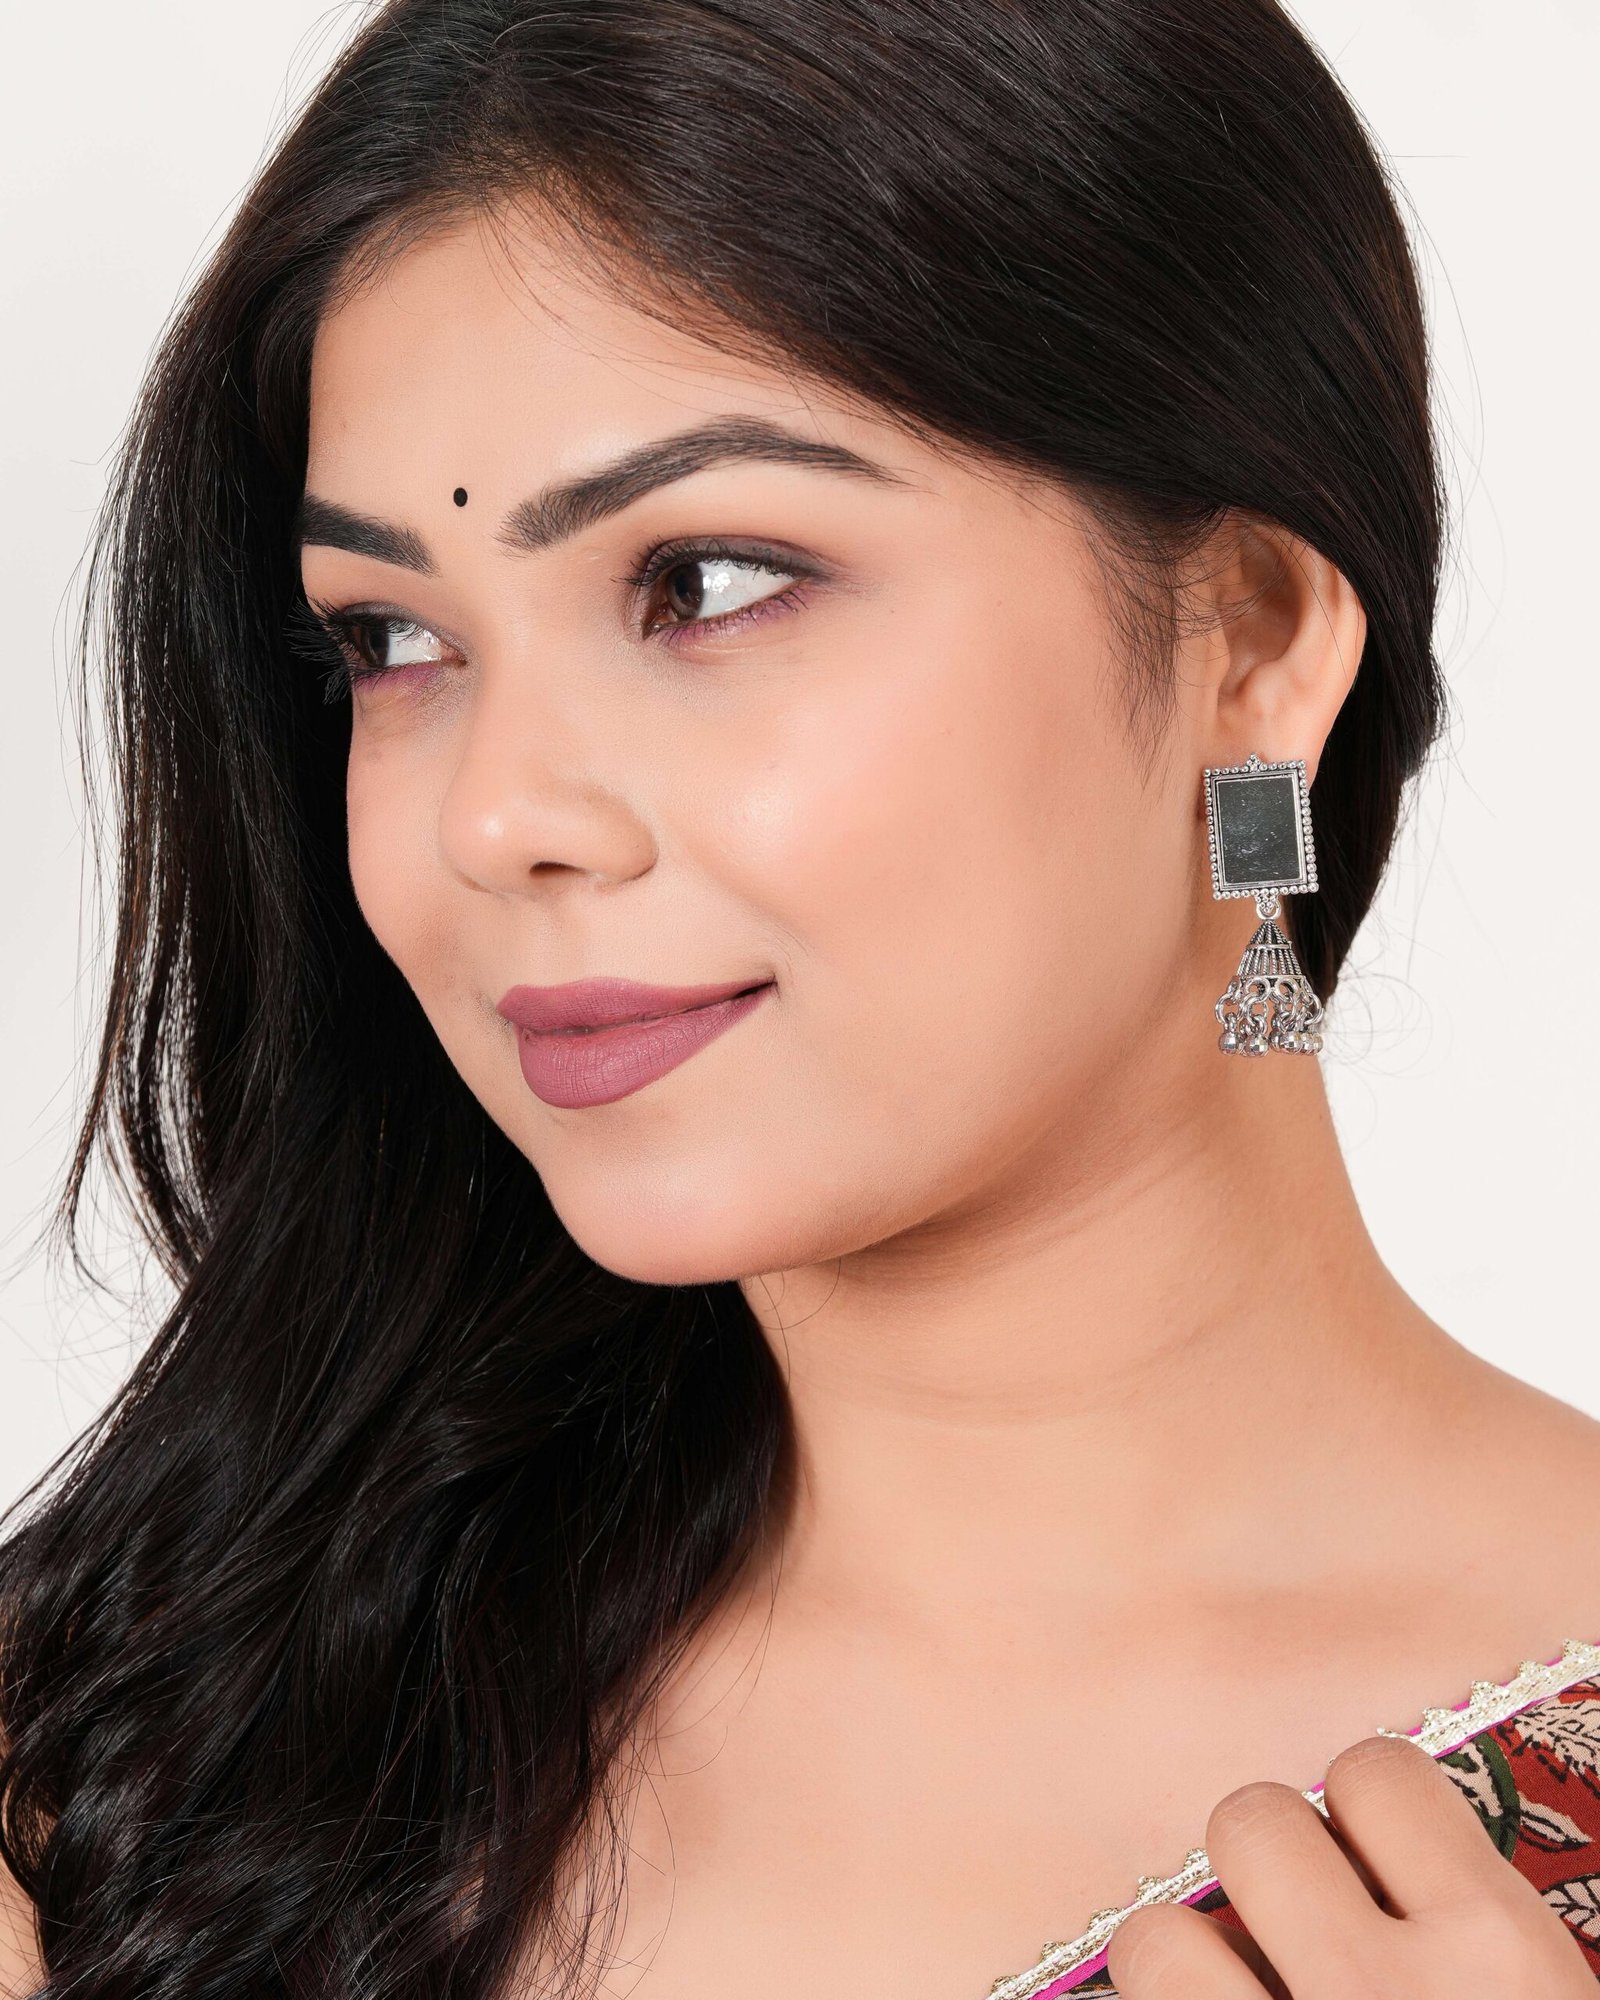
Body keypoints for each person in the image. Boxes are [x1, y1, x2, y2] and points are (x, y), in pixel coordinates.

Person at [2, 1, 1598, 1996]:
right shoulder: (134, 1750)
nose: (493, 818)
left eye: (708, 583)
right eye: (395, 639)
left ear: (1251, 640)